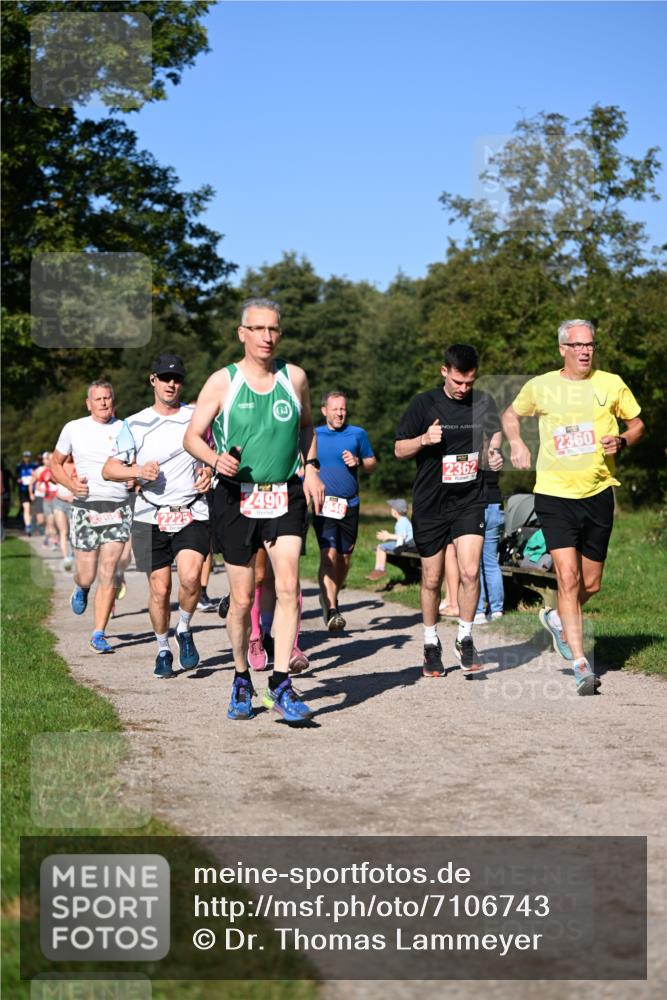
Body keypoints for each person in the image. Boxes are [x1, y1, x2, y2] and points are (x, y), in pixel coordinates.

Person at [184, 297, 325, 722]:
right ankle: (241, 678)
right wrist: (214, 460)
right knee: (243, 599)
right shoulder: (223, 382)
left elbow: (305, 428)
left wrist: (312, 467)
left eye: (274, 329)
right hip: (234, 496)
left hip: (284, 493)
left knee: (286, 588)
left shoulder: (294, 378)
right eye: (259, 329)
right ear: (242, 333)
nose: (267, 337)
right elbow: (193, 436)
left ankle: (281, 683)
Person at [502, 318, 644, 695]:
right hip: (554, 494)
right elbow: (510, 415)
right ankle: (582, 664)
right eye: (578, 345)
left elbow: (637, 424)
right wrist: (516, 443)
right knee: (567, 577)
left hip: (598, 493)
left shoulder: (610, 383)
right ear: (563, 349)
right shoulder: (541, 386)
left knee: (590, 583)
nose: (585, 351)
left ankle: (556, 617)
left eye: (590, 345)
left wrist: (624, 441)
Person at [395, 343, 503, 678]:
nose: (463, 389)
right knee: (431, 577)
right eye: (458, 381)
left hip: (469, 499)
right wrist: (424, 440)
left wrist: (493, 453)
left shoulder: (483, 401)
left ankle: (465, 638)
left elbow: (494, 433)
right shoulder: (423, 403)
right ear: (444, 371)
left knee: (470, 572)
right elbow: (399, 449)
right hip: (431, 502)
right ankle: (430, 643)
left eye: (469, 382)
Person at [102, 354, 212, 678]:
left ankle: (185, 628)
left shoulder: (197, 418)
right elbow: (109, 469)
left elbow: (215, 453)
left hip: (192, 510)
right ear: (153, 380)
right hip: (150, 515)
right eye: (164, 378)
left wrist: (208, 473)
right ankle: (163, 648)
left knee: (191, 577)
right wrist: (137, 470)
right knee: (160, 589)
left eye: (176, 378)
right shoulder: (133, 424)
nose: (171, 384)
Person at [51, 381, 133, 653]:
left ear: (113, 400)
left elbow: (134, 462)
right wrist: (72, 485)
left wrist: (134, 477)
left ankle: (99, 632)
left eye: (107, 398)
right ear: (88, 403)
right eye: (97, 399)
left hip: (117, 505)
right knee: (87, 574)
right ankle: (82, 588)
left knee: (108, 570)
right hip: (85, 507)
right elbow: (55, 463)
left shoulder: (125, 428)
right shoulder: (74, 428)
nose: (103, 403)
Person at [314, 391, 376, 628]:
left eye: (343, 409)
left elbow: (372, 463)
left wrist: (359, 461)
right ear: (324, 411)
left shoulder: (358, 434)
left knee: (345, 557)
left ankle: (332, 595)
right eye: (335, 409)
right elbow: (301, 463)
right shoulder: (313, 435)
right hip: (323, 504)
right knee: (328, 557)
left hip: (350, 504)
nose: (340, 413)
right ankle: (332, 608)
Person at [473, 470, 505, 623]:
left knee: (474, 563)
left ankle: (478, 611)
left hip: (474, 504)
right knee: (491, 562)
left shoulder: (467, 447)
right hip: (494, 503)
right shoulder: (494, 449)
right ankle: (496, 610)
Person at [366, 498, 413, 580]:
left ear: (395, 511)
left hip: (405, 545)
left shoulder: (401, 522)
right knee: (380, 547)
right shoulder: (404, 520)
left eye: (392, 508)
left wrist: (388, 536)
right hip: (406, 543)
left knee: (381, 547)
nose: (390, 510)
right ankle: (378, 570)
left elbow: (402, 537)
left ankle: (380, 570)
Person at [17, 450, 37, 535]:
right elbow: (17, 478)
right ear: (23, 457)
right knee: (26, 508)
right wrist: (19, 480)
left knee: (32, 509)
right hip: (23, 490)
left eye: (28, 456)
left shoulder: (34, 466)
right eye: (25, 456)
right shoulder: (19, 466)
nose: (26, 458)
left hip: (33, 490)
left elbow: (37, 476)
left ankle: (31, 524)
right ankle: (28, 526)